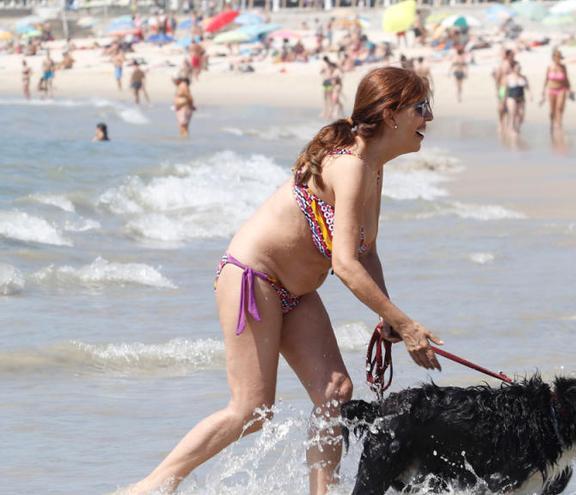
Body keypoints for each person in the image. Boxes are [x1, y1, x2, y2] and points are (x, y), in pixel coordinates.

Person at [126, 67, 441, 495]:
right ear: (391, 113)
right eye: (421, 108)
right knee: (252, 409)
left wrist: (387, 313)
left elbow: (366, 251)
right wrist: (403, 324)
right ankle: (150, 487)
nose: (429, 118)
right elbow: (346, 265)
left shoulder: (373, 166)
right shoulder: (350, 167)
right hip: (252, 279)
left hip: (295, 292)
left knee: (335, 390)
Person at [541, 49, 570, 131]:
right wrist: (543, 90)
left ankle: (559, 124)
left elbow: (567, 79)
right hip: (551, 89)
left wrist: (569, 89)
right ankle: (552, 124)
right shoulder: (549, 67)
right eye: (557, 57)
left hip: (562, 89)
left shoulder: (563, 67)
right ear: (553, 58)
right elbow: (546, 79)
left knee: (560, 107)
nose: (559, 59)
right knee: (552, 110)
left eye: (560, 57)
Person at [504, 61, 530, 136]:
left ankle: (517, 127)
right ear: (513, 68)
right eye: (517, 68)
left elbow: (527, 87)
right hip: (511, 97)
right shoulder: (508, 77)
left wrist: (530, 94)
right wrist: (502, 98)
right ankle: (512, 128)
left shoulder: (523, 77)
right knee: (513, 113)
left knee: (521, 115)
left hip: (521, 97)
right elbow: (504, 89)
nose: (518, 69)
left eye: (519, 68)